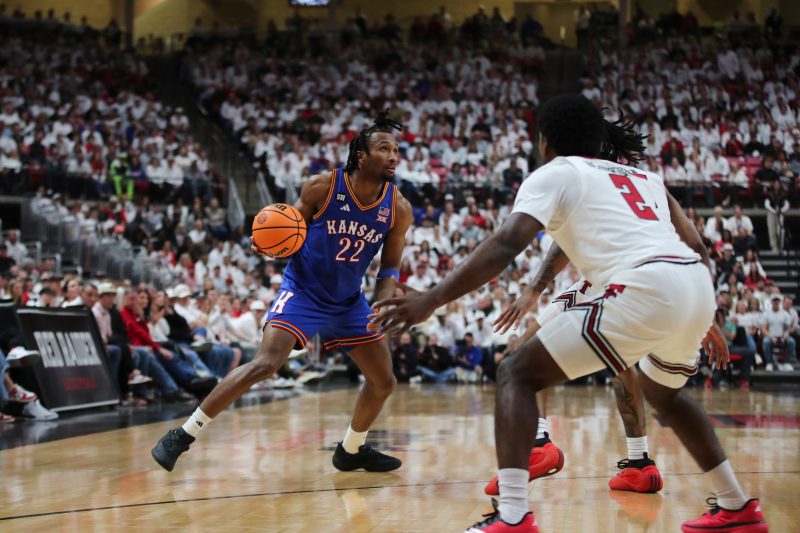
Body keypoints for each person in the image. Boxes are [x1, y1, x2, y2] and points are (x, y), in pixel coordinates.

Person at [370, 95, 767, 533]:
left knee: (516, 372)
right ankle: (735, 506)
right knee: (666, 395)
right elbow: (697, 246)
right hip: (694, 284)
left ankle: (514, 516)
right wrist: (704, 312)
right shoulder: (646, 177)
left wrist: (431, 298)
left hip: (643, 284)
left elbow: (506, 244)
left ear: (544, 143)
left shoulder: (556, 172)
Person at [152, 112, 413, 475]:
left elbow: (389, 268)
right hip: (304, 291)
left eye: (397, 150)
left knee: (384, 381)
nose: (394, 156)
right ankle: (182, 435)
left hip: (349, 301)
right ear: (361, 156)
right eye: (385, 148)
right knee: (266, 363)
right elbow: (288, 229)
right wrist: (272, 244)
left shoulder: (397, 208)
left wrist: (384, 301)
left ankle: (351, 450)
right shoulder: (322, 187)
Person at [484, 267, 662, 497]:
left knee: (524, 354)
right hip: (663, 291)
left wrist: (534, 290)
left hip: (609, 279)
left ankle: (538, 444)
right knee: (622, 362)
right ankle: (640, 463)